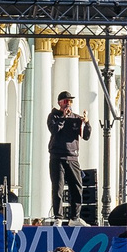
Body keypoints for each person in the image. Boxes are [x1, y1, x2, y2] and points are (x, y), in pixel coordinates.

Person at [46, 91, 91, 220]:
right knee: (58, 187)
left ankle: (75, 217)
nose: (68, 104)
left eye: (70, 101)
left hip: (72, 156)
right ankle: (58, 217)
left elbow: (86, 136)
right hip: (57, 156)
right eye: (66, 101)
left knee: (77, 187)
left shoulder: (75, 118)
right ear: (59, 103)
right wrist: (63, 118)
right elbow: (54, 130)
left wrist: (87, 123)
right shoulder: (53, 116)